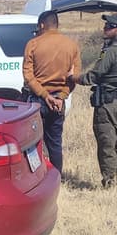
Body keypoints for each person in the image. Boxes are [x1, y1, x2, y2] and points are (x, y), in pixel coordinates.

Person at [67, 11, 117, 187]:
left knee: (106, 143)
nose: (105, 28)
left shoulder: (112, 51)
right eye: (106, 25)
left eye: (110, 26)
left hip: (108, 104)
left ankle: (110, 181)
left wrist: (74, 77)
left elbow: (93, 76)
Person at [22, 10, 80, 173]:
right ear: (57, 24)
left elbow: (28, 76)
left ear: (41, 25)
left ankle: (37, 177)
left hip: (37, 100)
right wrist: (61, 97)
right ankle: (56, 177)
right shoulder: (72, 46)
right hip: (58, 103)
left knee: (34, 143)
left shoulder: (32, 44)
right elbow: (74, 77)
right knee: (55, 142)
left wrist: (45, 96)